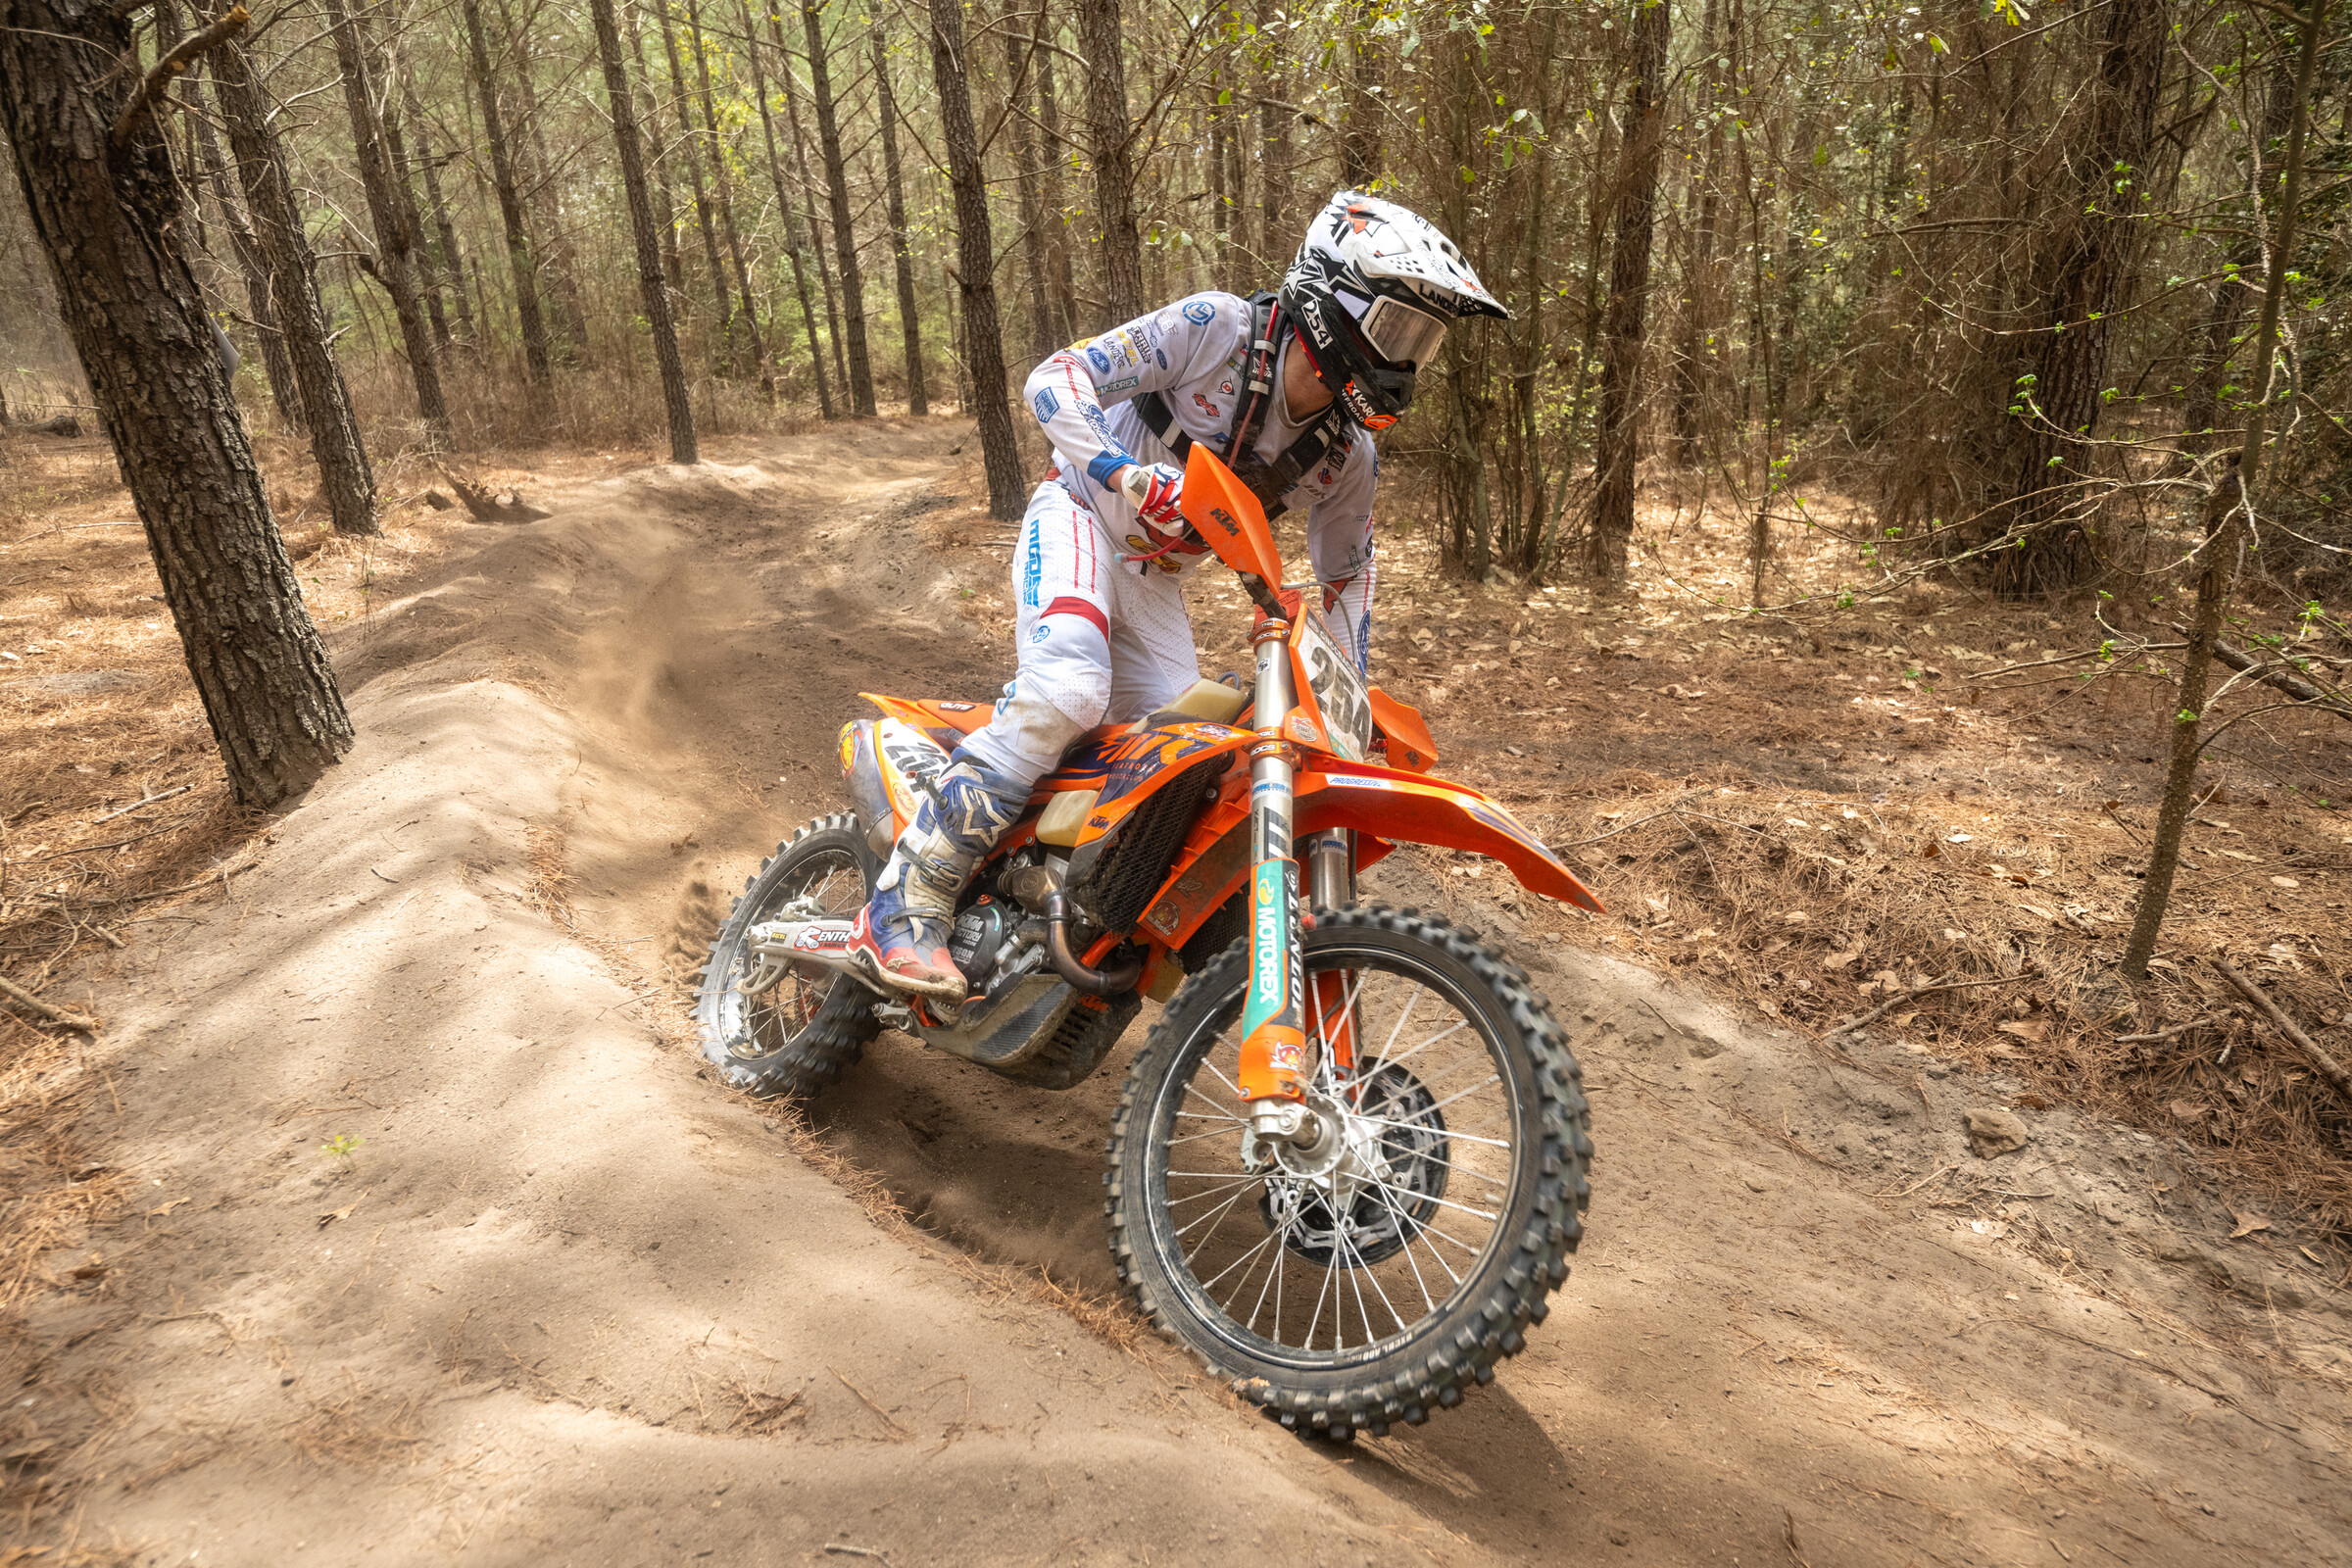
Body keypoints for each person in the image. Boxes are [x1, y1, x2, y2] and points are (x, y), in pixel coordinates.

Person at [851, 190, 1510, 1000]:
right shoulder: (1218, 330)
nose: (1407, 360)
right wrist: (1122, 474)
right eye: (1398, 331)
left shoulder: (1346, 458)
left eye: (1425, 342)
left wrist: (1351, 699)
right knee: (1069, 688)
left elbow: (1347, 578)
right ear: (1333, 297)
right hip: (1080, 519)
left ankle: (1047, 914)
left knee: (1184, 772)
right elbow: (1056, 377)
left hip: (1156, 581)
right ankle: (904, 903)